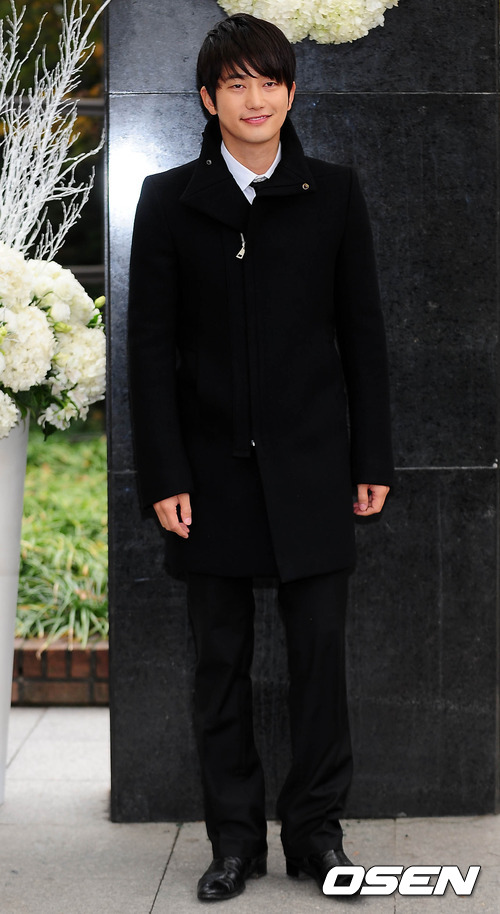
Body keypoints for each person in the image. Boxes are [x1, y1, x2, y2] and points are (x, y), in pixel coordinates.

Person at [128, 12, 393, 903]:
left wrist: (372, 458)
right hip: (209, 477)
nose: (255, 99)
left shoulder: (334, 193)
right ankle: (234, 841)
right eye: (236, 84)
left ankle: (317, 835)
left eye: (270, 82)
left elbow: (363, 338)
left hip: (315, 469)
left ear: (291, 92)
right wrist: (165, 475)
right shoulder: (170, 199)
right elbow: (150, 351)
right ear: (209, 100)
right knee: (219, 667)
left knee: (321, 662)